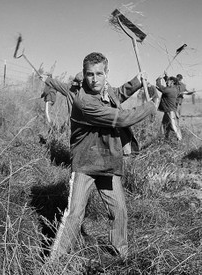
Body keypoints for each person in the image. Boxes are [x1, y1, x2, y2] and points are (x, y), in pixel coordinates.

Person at [49, 52, 156, 261]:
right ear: (84, 74)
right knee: (75, 214)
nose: (94, 79)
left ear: (107, 73)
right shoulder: (84, 102)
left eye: (99, 73)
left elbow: (118, 94)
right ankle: (55, 262)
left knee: (120, 212)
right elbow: (121, 118)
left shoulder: (106, 91)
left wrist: (136, 81)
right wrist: (151, 106)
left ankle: (121, 255)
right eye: (90, 74)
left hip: (109, 162)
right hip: (85, 164)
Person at [156, 75, 182, 141]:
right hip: (168, 111)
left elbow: (161, 87)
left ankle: (180, 140)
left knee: (174, 127)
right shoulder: (174, 89)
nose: (167, 82)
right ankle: (163, 139)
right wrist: (166, 77)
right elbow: (165, 88)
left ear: (172, 82)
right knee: (164, 126)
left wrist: (158, 79)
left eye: (168, 81)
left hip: (170, 112)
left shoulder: (170, 90)